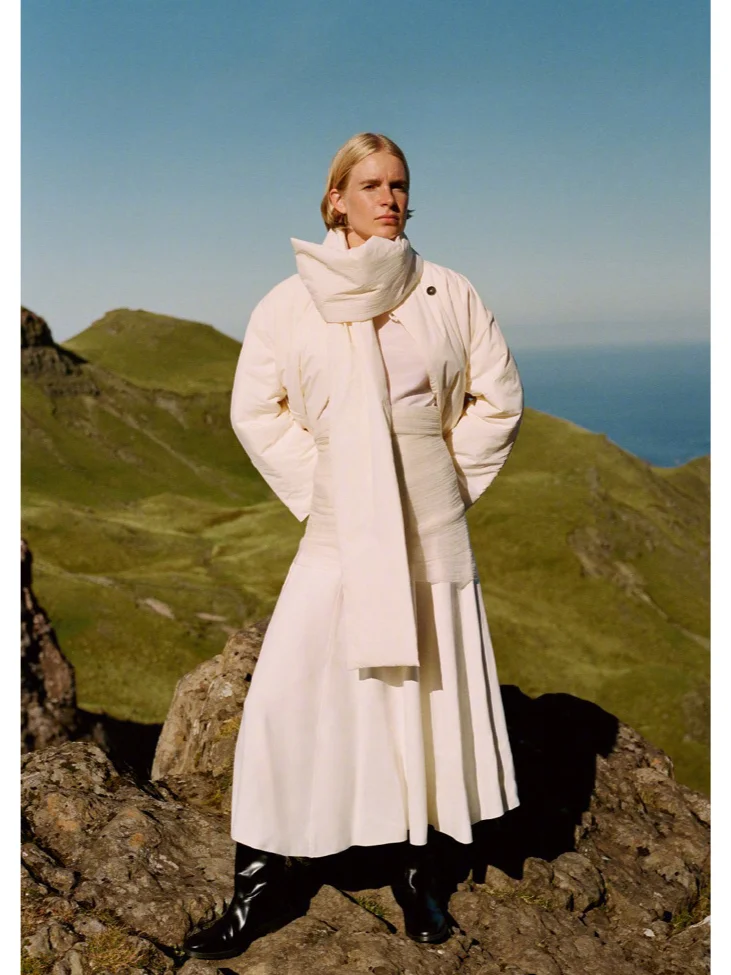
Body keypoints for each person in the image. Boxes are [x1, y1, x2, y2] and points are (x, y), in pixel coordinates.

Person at [183, 132, 524, 960]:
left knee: (421, 699)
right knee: (286, 697)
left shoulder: (446, 289)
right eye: (370, 185)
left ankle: (416, 871)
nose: (389, 199)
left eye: (398, 184)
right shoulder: (290, 300)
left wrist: (446, 481)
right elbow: (254, 409)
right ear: (335, 197)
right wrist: (322, 486)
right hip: (339, 524)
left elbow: (498, 397)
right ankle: (258, 882)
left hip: (429, 522)